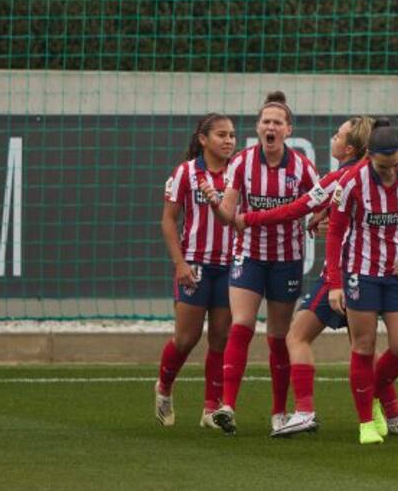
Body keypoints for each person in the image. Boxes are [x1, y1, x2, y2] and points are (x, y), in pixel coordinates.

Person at [240, 115, 375, 438]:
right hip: (370, 271)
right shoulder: (373, 175)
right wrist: (325, 215)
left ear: (350, 147)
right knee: (362, 345)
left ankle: (303, 411)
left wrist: (249, 218)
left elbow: (294, 208)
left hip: (340, 274)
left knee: (296, 336)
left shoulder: (340, 177)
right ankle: (391, 413)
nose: (333, 138)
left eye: (338, 135)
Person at [209, 91, 320, 436]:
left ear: (288, 130)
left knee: (277, 336)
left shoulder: (302, 166)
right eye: (265, 122)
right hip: (249, 255)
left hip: (287, 259)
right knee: (241, 325)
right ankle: (227, 405)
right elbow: (229, 215)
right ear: (258, 128)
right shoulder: (241, 163)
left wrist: (320, 220)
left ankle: (278, 412)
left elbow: (321, 203)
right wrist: (215, 203)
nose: (270, 127)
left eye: (277, 122)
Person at [326, 119, 398, 445]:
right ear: (370, 157)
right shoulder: (352, 181)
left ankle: (369, 392)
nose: (391, 172)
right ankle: (365, 422)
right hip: (361, 272)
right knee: (363, 347)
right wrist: (336, 282)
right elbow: (334, 233)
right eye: (383, 166)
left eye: (395, 164)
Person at [155, 113, 237, 429]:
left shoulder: (239, 172)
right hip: (195, 266)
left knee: (220, 338)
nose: (229, 140)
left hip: (230, 267)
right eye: (221, 134)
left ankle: (210, 410)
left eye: (232, 135)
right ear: (203, 139)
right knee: (186, 338)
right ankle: (163, 387)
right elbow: (168, 220)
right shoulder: (186, 173)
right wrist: (180, 263)